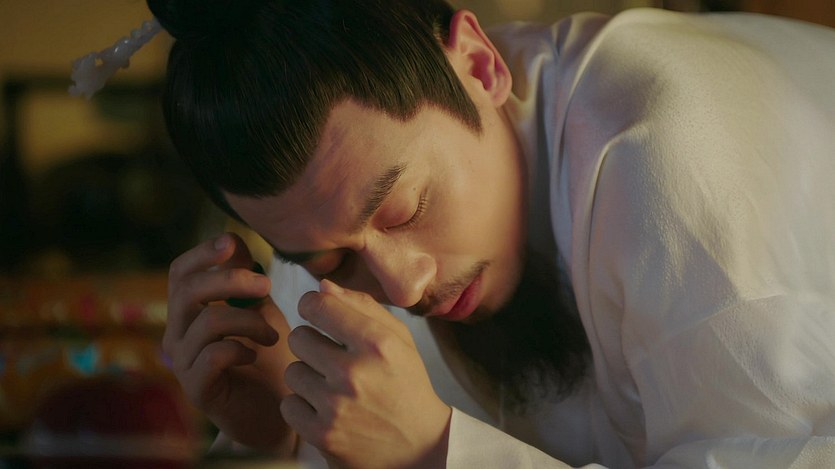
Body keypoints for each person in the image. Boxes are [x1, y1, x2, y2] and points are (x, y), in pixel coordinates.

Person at [149, 0, 835, 467]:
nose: (402, 287)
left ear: (480, 66)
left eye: (406, 209)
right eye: (330, 261)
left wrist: (436, 451)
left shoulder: (675, 159)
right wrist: (284, 435)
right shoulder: (325, 220)